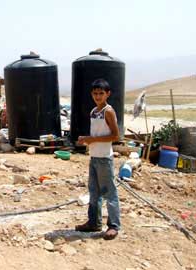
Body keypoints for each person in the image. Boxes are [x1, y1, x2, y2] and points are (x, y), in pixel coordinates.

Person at [76, 78, 121, 240]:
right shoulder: (94, 111)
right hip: (94, 156)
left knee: (110, 193)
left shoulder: (108, 111)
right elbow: (96, 134)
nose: (98, 96)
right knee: (94, 192)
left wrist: (91, 139)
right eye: (95, 93)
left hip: (104, 158)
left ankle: (114, 226)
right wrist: (86, 139)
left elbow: (115, 136)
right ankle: (93, 222)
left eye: (101, 93)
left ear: (107, 94)